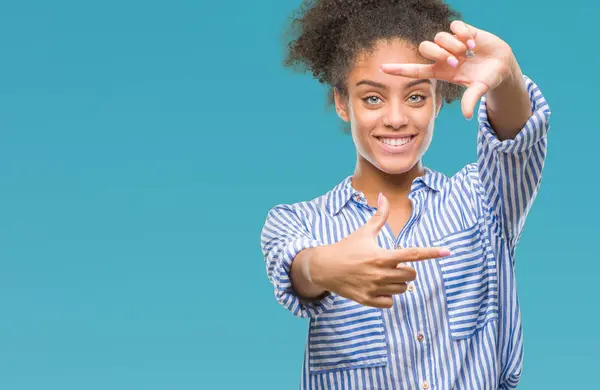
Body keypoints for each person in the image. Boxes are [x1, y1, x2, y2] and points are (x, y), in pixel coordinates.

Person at [260, 0, 551, 388]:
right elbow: (295, 267)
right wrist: (323, 268)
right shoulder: (299, 221)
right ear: (342, 103)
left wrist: (507, 76)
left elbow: (517, 144)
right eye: (372, 98)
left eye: (415, 96)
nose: (396, 118)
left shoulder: (480, 200)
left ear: (437, 99)